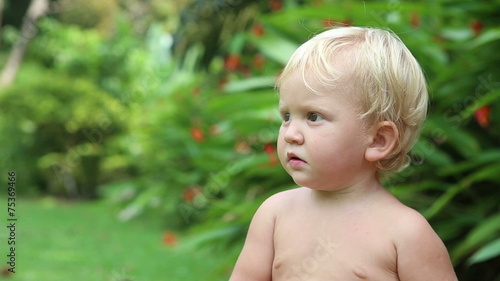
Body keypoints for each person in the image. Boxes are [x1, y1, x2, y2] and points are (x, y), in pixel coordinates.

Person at [229, 26, 458, 281]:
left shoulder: (406, 234)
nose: (290, 133)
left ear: (378, 140)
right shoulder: (274, 215)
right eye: (286, 116)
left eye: (313, 117)